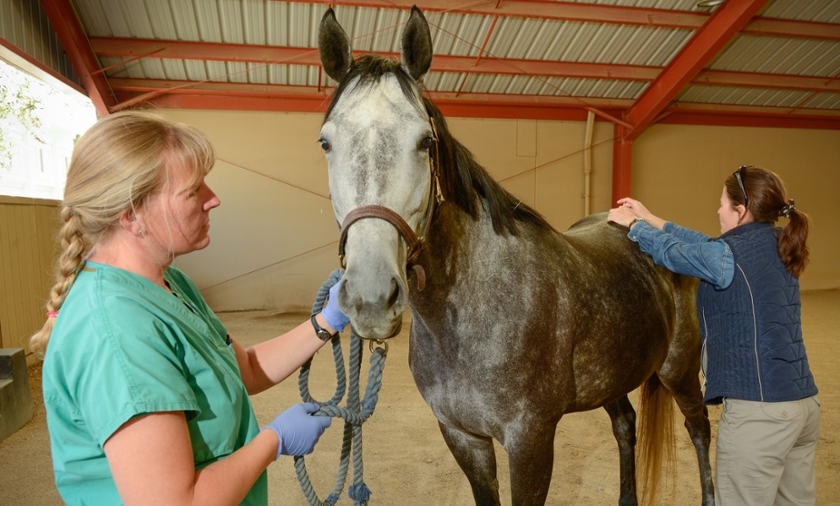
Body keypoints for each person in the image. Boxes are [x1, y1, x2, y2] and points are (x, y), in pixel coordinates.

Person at [29, 111, 350, 505]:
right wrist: (274, 440)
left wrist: (328, 319)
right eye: (192, 190)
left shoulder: (167, 282)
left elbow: (244, 369)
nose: (213, 199)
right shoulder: (119, 331)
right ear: (131, 215)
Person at [608, 165, 820, 506]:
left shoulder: (727, 257)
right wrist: (651, 217)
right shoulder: (779, 243)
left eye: (723, 204)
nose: (717, 210)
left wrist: (633, 227)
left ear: (741, 211)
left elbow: (674, 253)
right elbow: (704, 245)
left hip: (759, 415)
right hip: (802, 408)